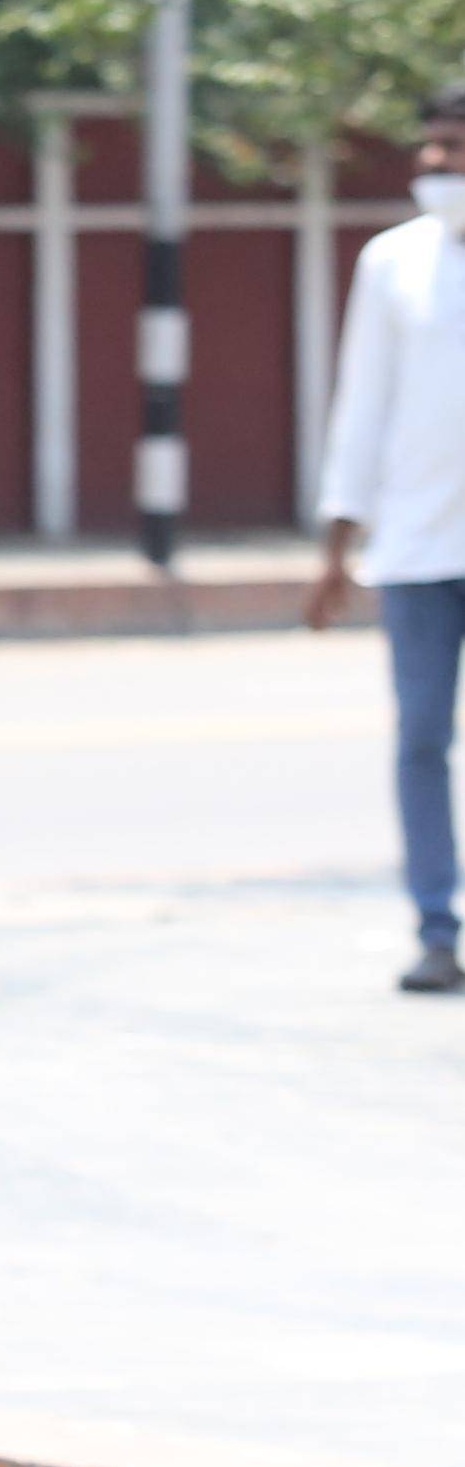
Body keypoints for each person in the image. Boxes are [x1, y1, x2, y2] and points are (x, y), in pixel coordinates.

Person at [309, 84, 465, 995]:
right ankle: (435, 925)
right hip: (412, 551)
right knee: (417, 738)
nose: (436, 166)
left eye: (454, 150)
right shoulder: (390, 264)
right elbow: (358, 410)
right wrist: (335, 549)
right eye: (429, 150)